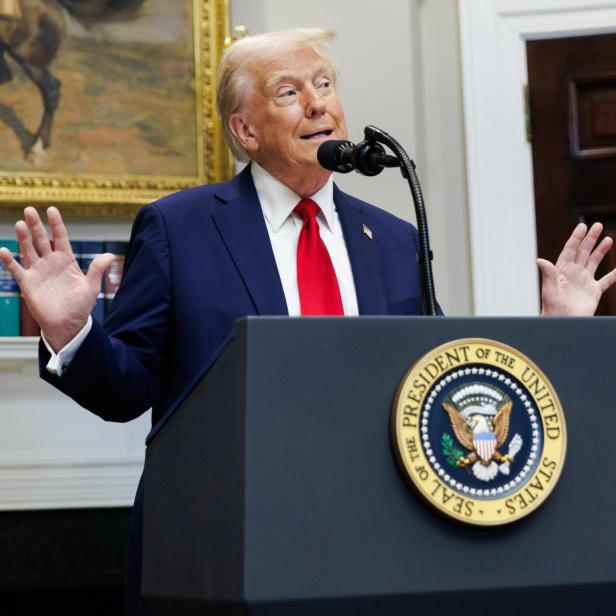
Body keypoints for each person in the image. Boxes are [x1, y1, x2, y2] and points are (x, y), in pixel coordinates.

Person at [1, 28, 615, 615]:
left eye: (325, 84)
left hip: (381, 538)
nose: (319, 104)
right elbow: (127, 391)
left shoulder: (395, 239)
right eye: (289, 92)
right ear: (245, 129)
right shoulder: (179, 229)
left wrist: (559, 336)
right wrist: (71, 334)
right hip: (228, 540)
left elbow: (437, 380)